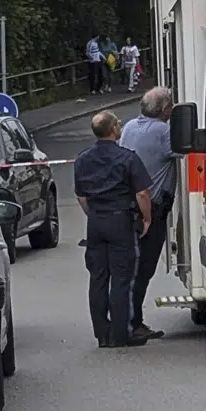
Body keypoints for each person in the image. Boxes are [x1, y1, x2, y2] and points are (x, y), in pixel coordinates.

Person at [75, 111, 153, 348]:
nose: (120, 127)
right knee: (121, 278)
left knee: (98, 278)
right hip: (121, 221)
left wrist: (94, 215)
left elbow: (81, 196)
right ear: (113, 130)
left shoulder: (83, 159)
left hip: (96, 222)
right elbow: (142, 193)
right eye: (118, 124)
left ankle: (102, 334)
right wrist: (147, 219)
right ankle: (122, 333)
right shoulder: (127, 158)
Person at [119, 88, 177, 341]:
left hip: (128, 205)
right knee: (144, 268)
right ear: (166, 110)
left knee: (131, 266)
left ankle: (125, 320)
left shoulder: (130, 127)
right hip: (152, 207)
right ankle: (134, 322)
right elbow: (186, 149)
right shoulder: (164, 132)